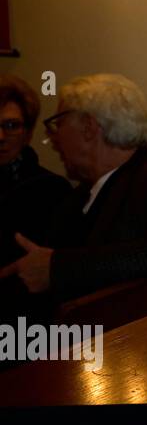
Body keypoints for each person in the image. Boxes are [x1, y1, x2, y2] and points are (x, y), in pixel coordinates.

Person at [0, 73, 147, 303]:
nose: (54, 139)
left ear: (88, 128)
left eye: (59, 124)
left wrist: (61, 267)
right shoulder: (79, 195)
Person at [0, 75, 72, 330]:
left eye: (11, 126)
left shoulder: (51, 190)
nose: (1, 136)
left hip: (21, 321)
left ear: (28, 133)